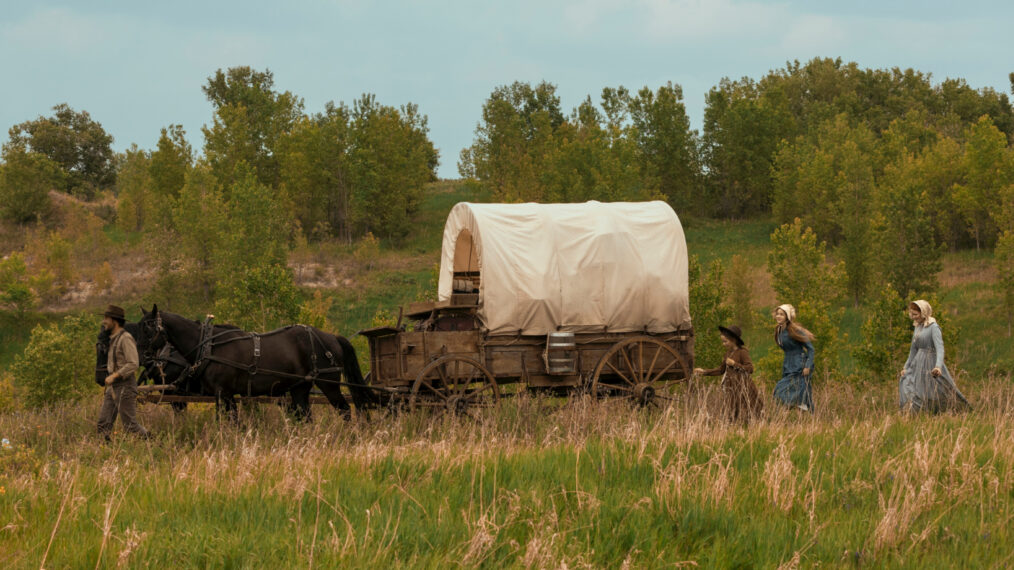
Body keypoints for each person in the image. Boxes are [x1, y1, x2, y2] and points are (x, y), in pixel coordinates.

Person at [898, 300, 970, 413]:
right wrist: (906, 367)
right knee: (909, 383)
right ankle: (915, 413)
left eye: (916, 314)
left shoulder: (933, 327)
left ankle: (955, 410)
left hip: (930, 361)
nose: (913, 317)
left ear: (924, 313)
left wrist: (938, 366)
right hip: (918, 363)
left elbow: (940, 348)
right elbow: (913, 350)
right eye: (912, 314)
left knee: (938, 390)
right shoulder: (917, 327)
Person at [96, 305, 149, 440]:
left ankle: (154, 444)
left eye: (106, 318)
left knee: (131, 426)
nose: (104, 321)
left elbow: (133, 363)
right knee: (103, 423)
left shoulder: (125, 338)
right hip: (113, 387)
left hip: (125, 386)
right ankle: (105, 452)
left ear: (115, 321)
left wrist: (114, 375)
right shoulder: (112, 339)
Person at [694, 325, 763, 424]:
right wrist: (704, 372)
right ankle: (732, 428)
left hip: (743, 387)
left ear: (733, 340)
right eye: (722, 341)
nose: (723, 344)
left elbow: (750, 368)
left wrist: (735, 364)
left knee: (748, 409)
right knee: (731, 410)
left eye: (725, 341)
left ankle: (751, 428)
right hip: (730, 387)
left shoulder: (742, 352)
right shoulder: (728, 354)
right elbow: (721, 370)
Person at [772, 304, 816, 413]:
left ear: (787, 316)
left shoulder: (794, 330)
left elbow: (811, 349)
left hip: (799, 364)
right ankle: (798, 411)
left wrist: (807, 366)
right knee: (781, 389)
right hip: (788, 364)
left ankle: (804, 414)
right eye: (777, 314)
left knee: (800, 390)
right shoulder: (778, 331)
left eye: (781, 314)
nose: (778, 316)